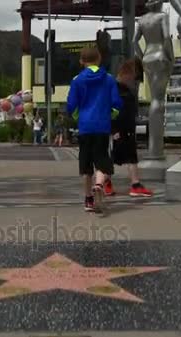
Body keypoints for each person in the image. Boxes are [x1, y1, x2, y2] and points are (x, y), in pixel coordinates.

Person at [66, 47, 122, 213]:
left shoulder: (77, 80)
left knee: (86, 164)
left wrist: (78, 117)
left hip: (85, 127)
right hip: (102, 126)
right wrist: (109, 115)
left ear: (81, 61)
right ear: (99, 59)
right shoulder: (109, 79)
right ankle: (99, 184)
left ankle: (88, 199)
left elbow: (71, 105)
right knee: (102, 160)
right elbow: (117, 104)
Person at [105, 59, 154, 198]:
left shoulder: (119, 89)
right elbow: (113, 112)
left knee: (118, 156)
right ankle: (133, 184)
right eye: (136, 79)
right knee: (121, 156)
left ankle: (110, 183)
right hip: (120, 128)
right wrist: (114, 130)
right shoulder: (119, 91)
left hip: (123, 128)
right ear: (129, 76)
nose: (136, 82)